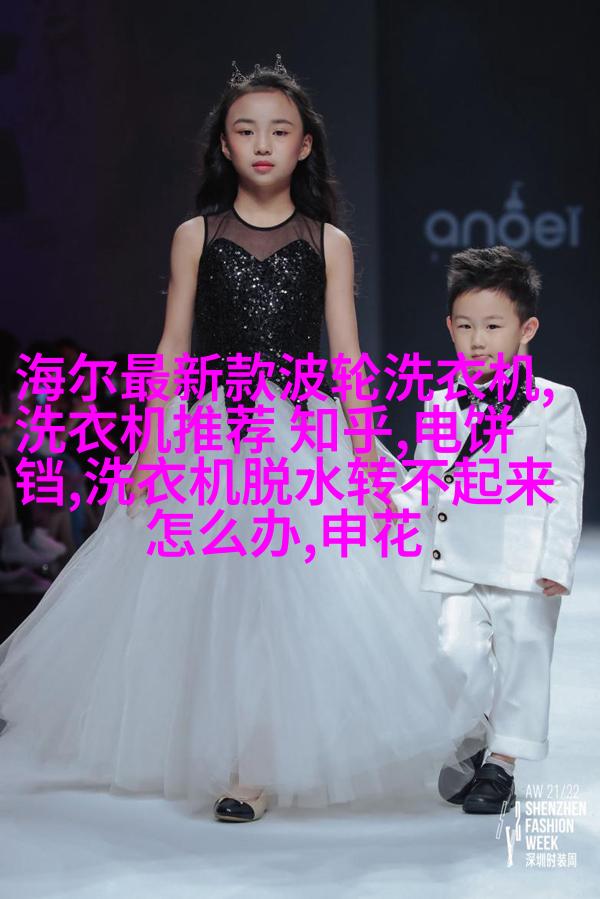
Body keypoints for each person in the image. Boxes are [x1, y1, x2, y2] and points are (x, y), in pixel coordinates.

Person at [0, 55, 473, 823]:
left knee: (289, 599)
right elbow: (173, 346)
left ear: (305, 146)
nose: (262, 143)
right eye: (245, 130)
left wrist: (365, 454)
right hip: (211, 434)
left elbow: (346, 355)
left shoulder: (328, 240)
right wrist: (151, 447)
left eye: (279, 131)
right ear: (224, 144)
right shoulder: (196, 234)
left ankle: (256, 764)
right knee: (213, 600)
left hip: (300, 433)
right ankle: (239, 761)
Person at [391, 246, 586, 814]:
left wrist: (557, 561)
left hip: (525, 563)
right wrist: (392, 505)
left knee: (525, 658)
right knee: (454, 653)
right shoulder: (440, 402)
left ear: (527, 329)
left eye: (493, 326)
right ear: (449, 327)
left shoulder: (555, 402)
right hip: (456, 557)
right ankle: (476, 734)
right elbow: (429, 475)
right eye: (465, 326)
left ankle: (502, 765)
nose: (478, 340)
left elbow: (566, 487)